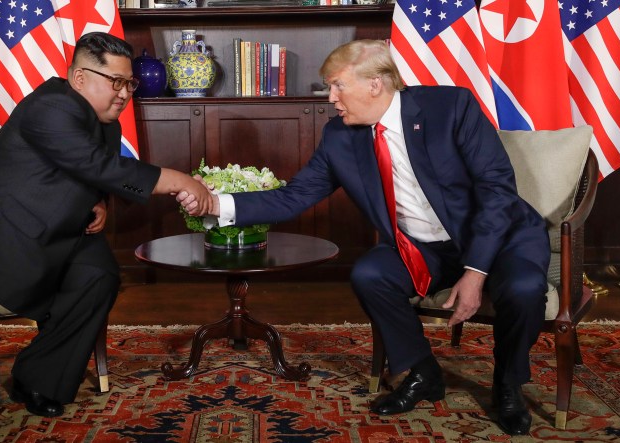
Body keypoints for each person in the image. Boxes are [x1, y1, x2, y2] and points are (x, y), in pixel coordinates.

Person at [180, 39, 548, 436]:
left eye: (337, 86)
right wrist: (215, 205)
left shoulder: (451, 108)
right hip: (426, 248)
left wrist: (475, 272)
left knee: (524, 287)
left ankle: (507, 383)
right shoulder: (341, 135)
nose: (331, 98)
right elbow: (296, 196)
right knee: (371, 273)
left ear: (375, 84)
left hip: (500, 237)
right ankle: (424, 372)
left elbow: (497, 190)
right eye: (329, 88)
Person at [0, 32, 212, 430]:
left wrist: (99, 201)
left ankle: (38, 380)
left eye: (129, 83)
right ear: (79, 78)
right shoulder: (52, 105)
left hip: (63, 228)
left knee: (99, 277)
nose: (123, 93)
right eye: (115, 82)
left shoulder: (103, 120)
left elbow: (89, 170)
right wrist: (180, 181)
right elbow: (93, 162)